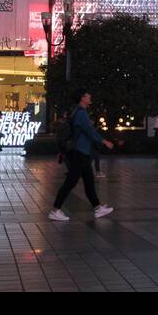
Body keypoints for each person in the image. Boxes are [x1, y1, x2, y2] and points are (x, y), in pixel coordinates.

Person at [49, 90, 114, 221]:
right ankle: (56, 210)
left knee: (89, 181)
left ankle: (98, 208)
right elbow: (90, 131)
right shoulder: (81, 113)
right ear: (82, 98)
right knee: (71, 182)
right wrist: (104, 141)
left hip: (82, 152)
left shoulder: (77, 112)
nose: (90, 97)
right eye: (87, 95)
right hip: (79, 152)